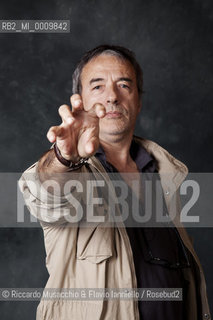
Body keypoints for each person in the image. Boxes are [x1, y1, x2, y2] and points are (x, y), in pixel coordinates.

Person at [19, 45, 210, 320]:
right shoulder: (74, 171)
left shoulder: (166, 173)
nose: (112, 96)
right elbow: (47, 194)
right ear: (80, 101)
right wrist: (64, 157)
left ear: (138, 101)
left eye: (124, 85)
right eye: (97, 86)